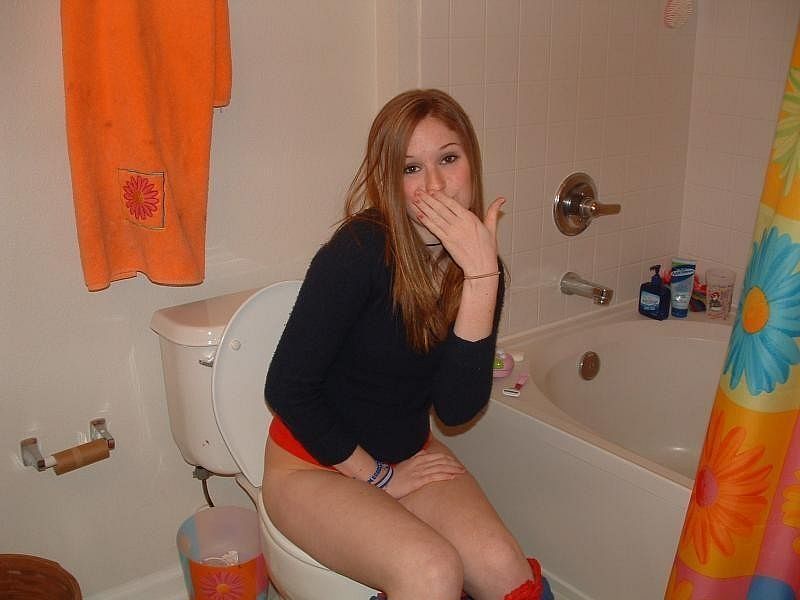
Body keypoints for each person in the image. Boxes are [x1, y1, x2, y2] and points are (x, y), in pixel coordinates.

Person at [262, 89, 553, 600]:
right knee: (432, 572)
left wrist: (481, 278)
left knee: (505, 569)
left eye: (448, 159)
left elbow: (456, 410)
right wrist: (378, 477)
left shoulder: (482, 269)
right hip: (311, 466)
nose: (435, 185)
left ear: (471, 162)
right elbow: (287, 388)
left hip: (406, 455)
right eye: (411, 168)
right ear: (388, 182)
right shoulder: (358, 251)